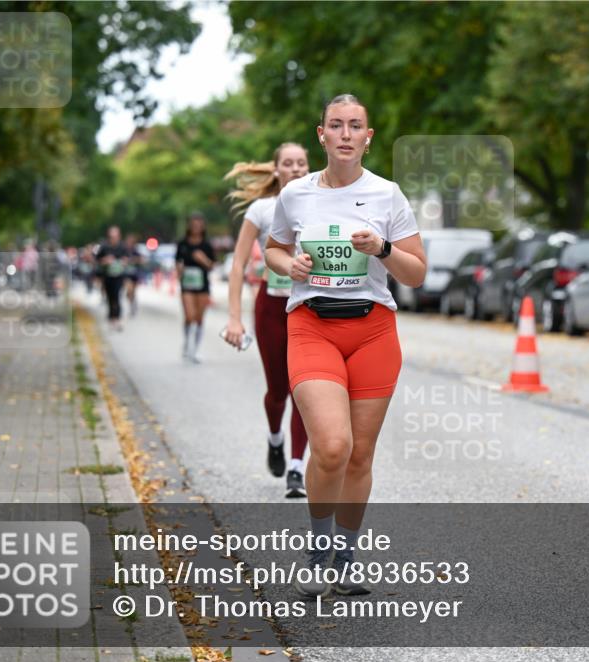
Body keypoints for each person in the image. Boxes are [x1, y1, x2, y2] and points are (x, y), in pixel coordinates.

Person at [265, 94, 426, 596]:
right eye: (336, 125)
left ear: (368, 136)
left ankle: (344, 559)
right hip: (312, 326)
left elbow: (417, 274)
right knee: (332, 446)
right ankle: (317, 550)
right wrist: (287, 265)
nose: (346, 134)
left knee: (360, 456)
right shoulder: (296, 195)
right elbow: (274, 247)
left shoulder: (388, 195)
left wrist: (382, 248)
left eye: (356, 126)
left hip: (373, 329)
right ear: (322, 135)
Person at [223, 144, 311, 498]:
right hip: (271, 310)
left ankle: (295, 467)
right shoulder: (261, 210)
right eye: (287, 164)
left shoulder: (323, 202)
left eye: (301, 163)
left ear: (309, 168)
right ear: (276, 170)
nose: (295, 169)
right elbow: (237, 265)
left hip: (309, 310)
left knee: (304, 390)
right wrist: (234, 319)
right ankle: (276, 438)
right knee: (278, 392)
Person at [176, 213, 216, 363]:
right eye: (193, 224)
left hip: (202, 285)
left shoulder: (207, 245)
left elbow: (212, 265)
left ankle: (196, 349)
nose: (196, 227)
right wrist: (179, 269)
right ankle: (187, 343)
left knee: (199, 318)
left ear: (203, 226)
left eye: (199, 224)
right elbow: (177, 262)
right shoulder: (182, 244)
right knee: (189, 316)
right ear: (189, 226)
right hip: (187, 284)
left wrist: (203, 259)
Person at [95, 226, 130, 330]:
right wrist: (105, 260)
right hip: (107, 275)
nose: (113, 238)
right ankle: (111, 317)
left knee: (117, 295)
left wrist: (123, 261)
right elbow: (97, 260)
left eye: (115, 236)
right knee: (110, 296)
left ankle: (117, 317)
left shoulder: (122, 247)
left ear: (119, 236)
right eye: (111, 236)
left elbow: (127, 259)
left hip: (119, 276)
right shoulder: (104, 247)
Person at [123, 233, 143, 317]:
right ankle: (132, 304)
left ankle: (133, 304)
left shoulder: (136, 251)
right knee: (129, 291)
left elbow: (141, 260)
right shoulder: (123, 251)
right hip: (126, 274)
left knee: (133, 292)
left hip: (134, 274)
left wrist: (133, 260)